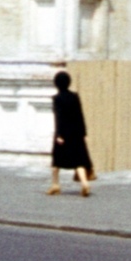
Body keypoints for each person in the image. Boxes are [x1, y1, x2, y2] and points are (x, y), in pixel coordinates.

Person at [48, 69, 94, 197]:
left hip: (63, 133)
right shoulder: (75, 96)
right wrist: (84, 132)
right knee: (78, 161)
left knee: (56, 161)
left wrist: (59, 135)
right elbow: (80, 115)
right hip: (76, 133)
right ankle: (85, 183)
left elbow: (59, 118)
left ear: (56, 84)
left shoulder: (57, 98)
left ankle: (55, 185)